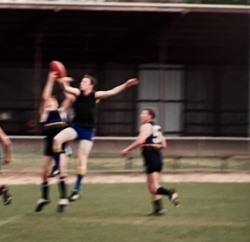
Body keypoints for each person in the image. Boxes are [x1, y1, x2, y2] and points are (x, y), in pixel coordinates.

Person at [53, 73, 139, 204]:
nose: (82, 83)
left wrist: (126, 85)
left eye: (85, 82)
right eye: (82, 81)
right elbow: (66, 89)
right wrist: (61, 80)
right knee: (57, 139)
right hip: (76, 127)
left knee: (81, 159)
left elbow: (112, 92)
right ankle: (58, 166)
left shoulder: (95, 95)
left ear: (91, 85)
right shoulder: (77, 93)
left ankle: (76, 190)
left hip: (87, 131)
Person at [121, 108, 179, 216]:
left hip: (150, 156)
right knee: (153, 186)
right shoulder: (156, 127)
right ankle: (159, 210)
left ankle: (170, 193)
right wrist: (155, 148)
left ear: (150, 116)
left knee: (153, 187)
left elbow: (141, 141)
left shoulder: (145, 126)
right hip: (157, 156)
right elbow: (164, 144)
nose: (141, 115)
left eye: (144, 113)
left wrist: (127, 150)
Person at [35, 70, 73, 213]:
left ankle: (63, 198)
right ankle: (45, 197)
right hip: (49, 145)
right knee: (44, 172)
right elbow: (44, 97)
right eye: (49, 101)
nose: (50, 101)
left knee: (62, 170)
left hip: (62, 144)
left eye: (53, 100)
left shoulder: (61, 112)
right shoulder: (45, 114)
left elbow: (70, 99)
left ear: (57, 104)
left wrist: (64, 84)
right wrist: (50, 79)